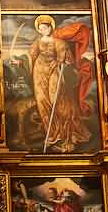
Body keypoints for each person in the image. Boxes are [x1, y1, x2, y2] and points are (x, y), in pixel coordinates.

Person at [29, 15, 92, 152]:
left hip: (54, 71)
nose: (43, 30)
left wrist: (64, 61)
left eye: (45, 27)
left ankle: (65, 134)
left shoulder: (59, 42)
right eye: (40, 28)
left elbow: (67, 58)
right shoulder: (37, 42)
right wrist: (20, 62)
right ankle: (52, 134)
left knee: (56, 99)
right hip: (39, 73)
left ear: (50, 27)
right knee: (42, 101)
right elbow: (31, 56)